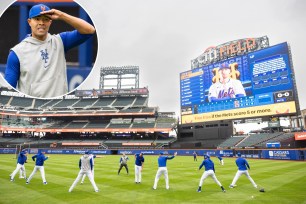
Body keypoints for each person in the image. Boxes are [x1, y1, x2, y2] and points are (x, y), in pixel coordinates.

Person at [5, 3, 96, 98]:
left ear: (50, 22)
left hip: (58, 108)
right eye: (37, 19)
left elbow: (89, 30)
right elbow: (9, 91)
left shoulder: (60, 41)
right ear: (29, 22)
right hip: (32, 109)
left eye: (45, 19)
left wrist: (62, 15)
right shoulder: (17, 52)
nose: (41, 23)